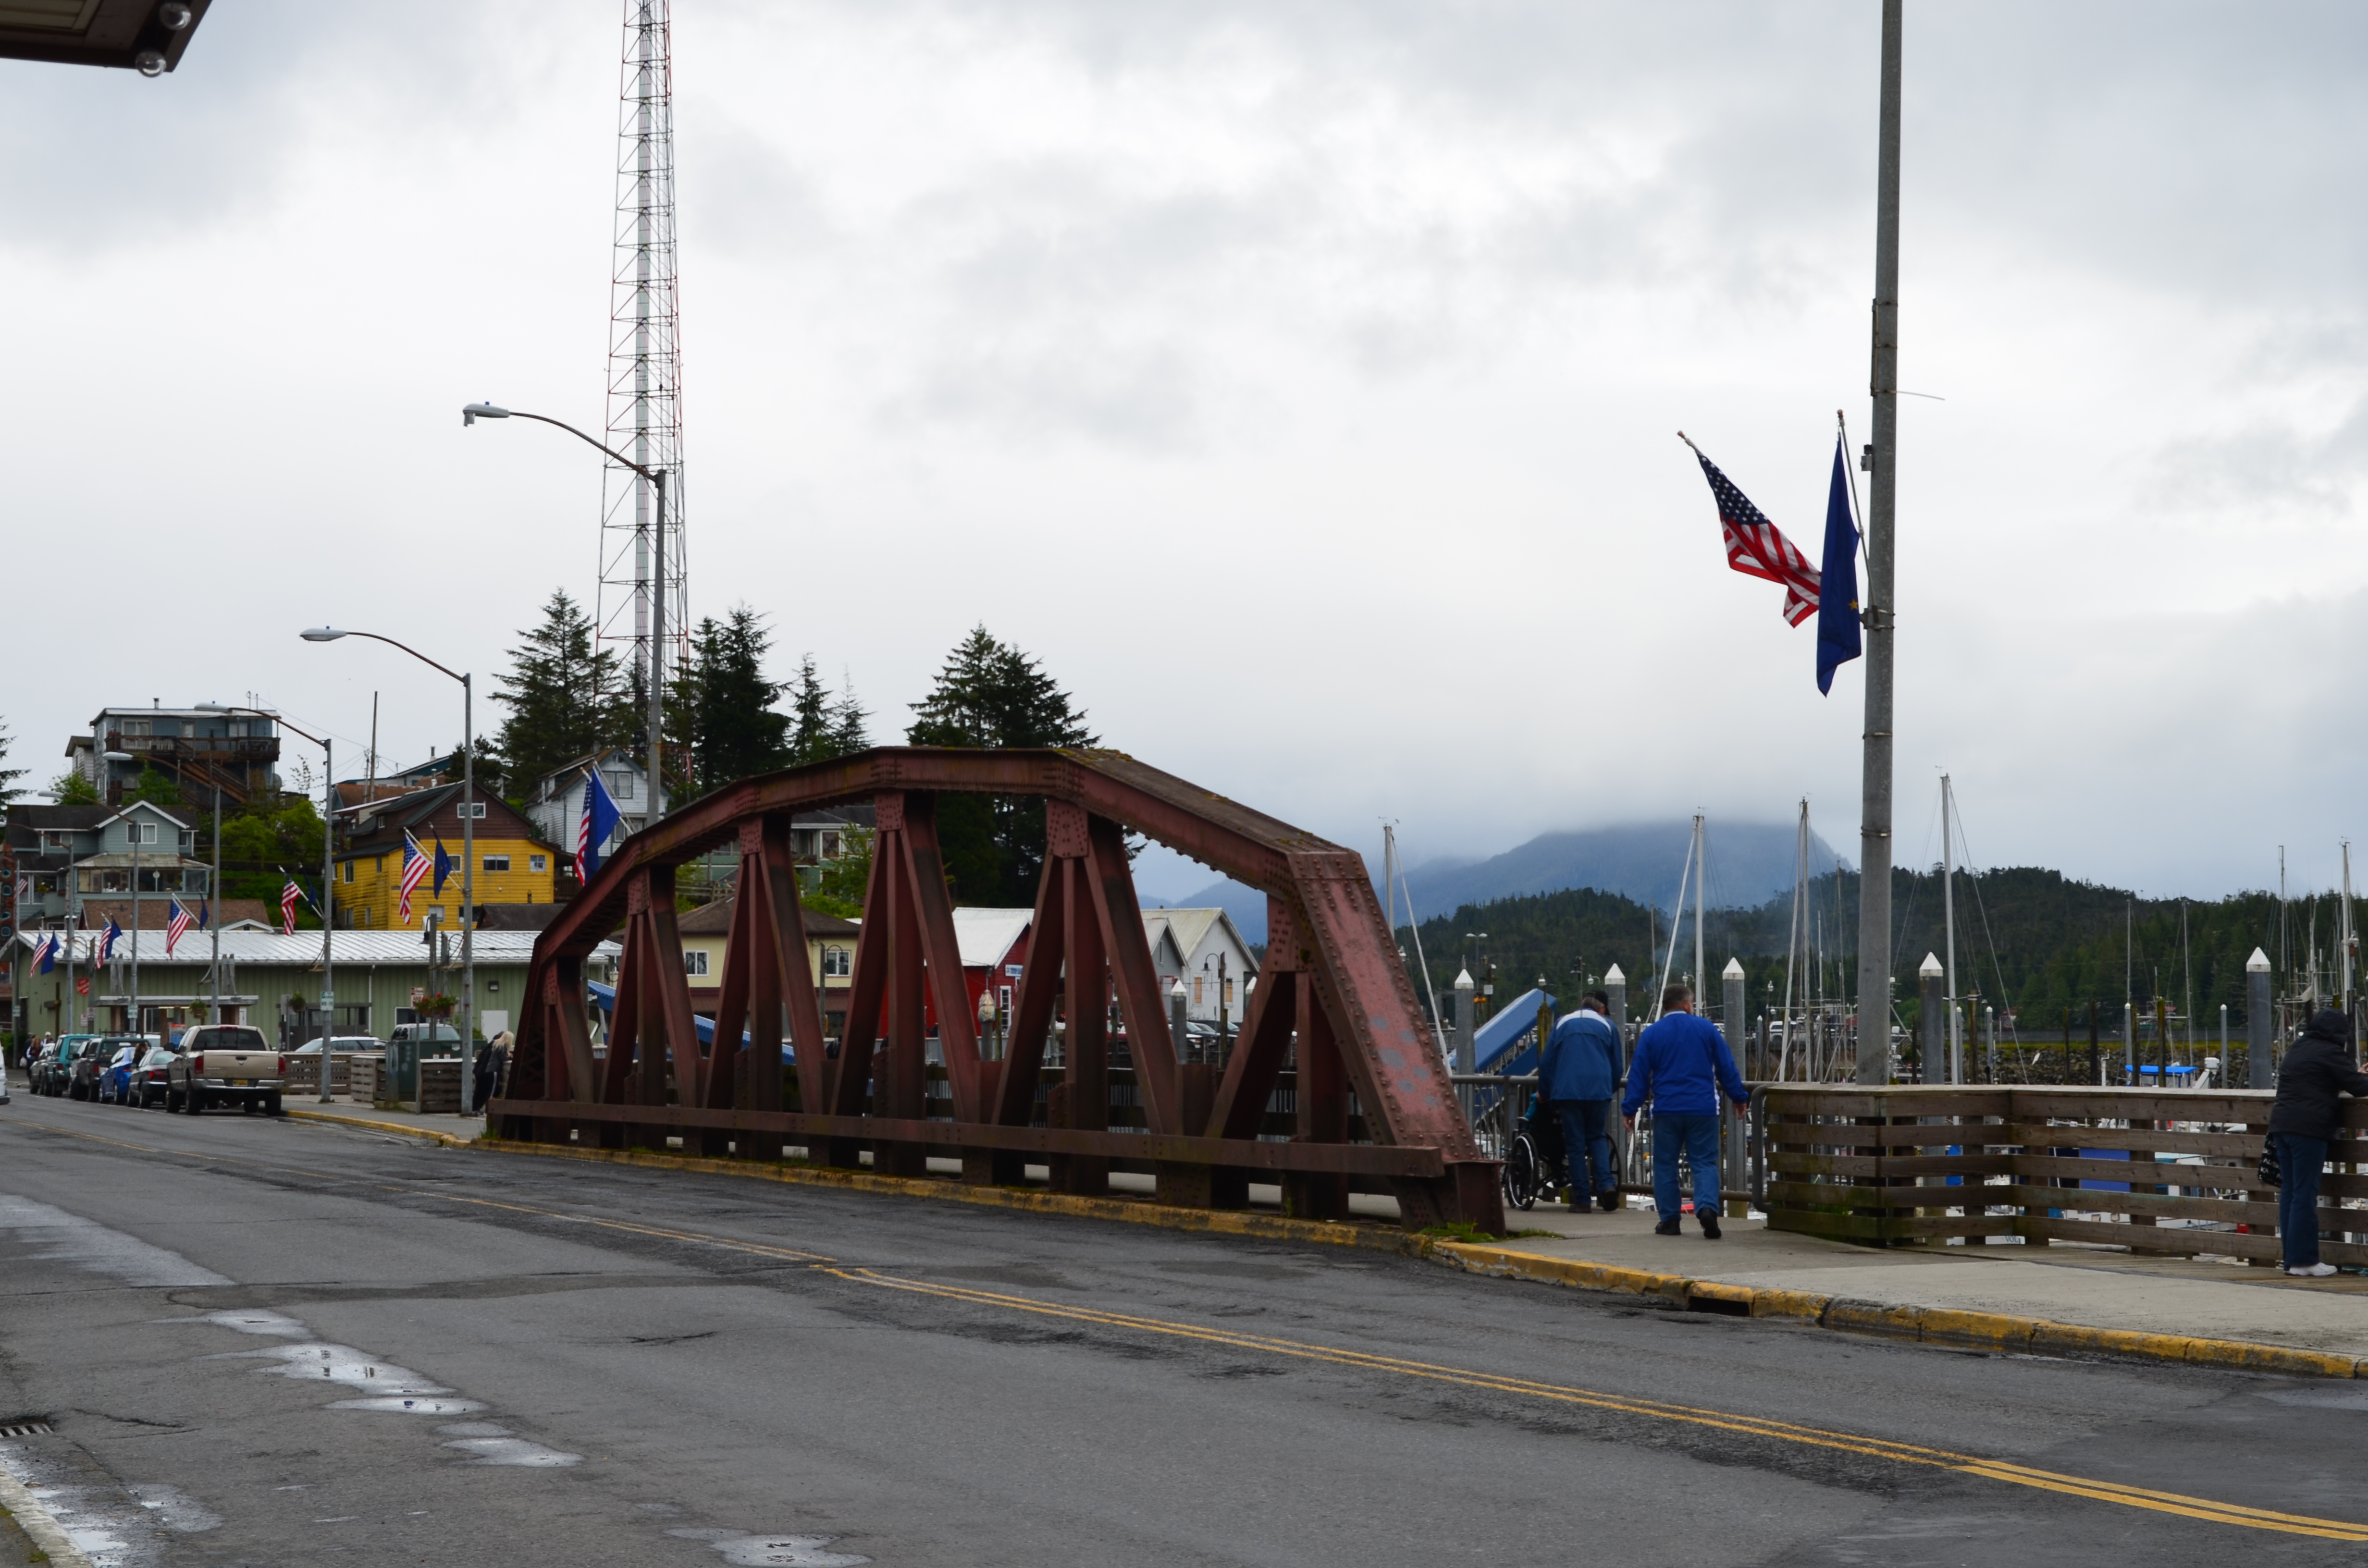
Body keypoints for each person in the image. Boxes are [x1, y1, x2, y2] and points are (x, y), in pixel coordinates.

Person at [1621, 982, 1749, 1238]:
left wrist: (1630, 1108)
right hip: (1703, 1108)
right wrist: (1738, 1097)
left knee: (1666, 1164)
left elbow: (1639, 1075)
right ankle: (1707, 1209)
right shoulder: (1706, 1028)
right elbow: (1726, 1066)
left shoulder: (1652, 1034)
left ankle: (1670, 1220)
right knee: (1704, 1162)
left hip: (1667, 1108)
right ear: (1686, 1004)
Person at [2267, 1008, 2368, 1277]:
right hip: (2309, 1130)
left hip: (2282, 1125)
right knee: (2304, 1194)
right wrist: (2360, 1077)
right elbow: (2360, 1088)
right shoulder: (2331, 1052)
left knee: (2290, 1192)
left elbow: (2322, 1078)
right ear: (2340, 1034)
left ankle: (2292, 1261)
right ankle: (2304, 1261)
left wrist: (2353, 1075)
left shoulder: (2299, 1047)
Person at [1540, 990, 1623, 1211]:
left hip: (1568, 1091)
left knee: (1575, 1144)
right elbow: (1617, 1067)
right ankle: (1606, 1186)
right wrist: (1610, 1089)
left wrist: (1545, 1092)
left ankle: (1582, 1199)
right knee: (1596, 1137)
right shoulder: (1608, 1026)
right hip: (1599, 1091)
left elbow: (1547, 1063)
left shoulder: (1561, 1024)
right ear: (1602, 1009)